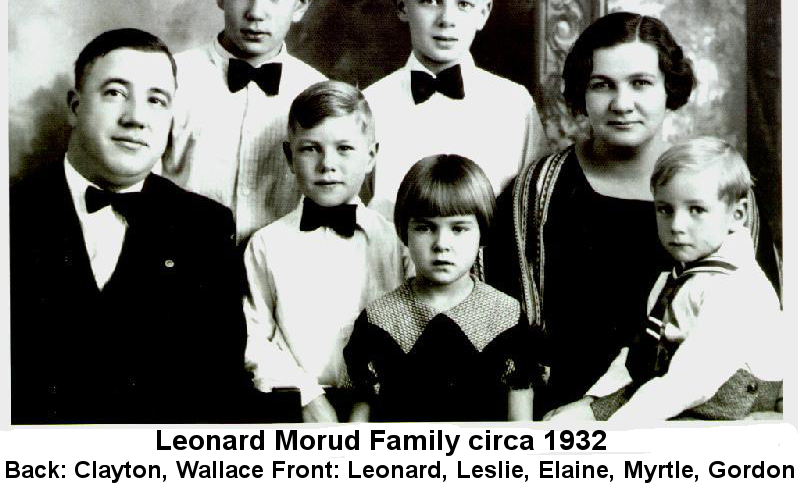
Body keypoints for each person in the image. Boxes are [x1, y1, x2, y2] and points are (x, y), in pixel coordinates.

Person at [10, 29, 271, 424]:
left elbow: (218, 394)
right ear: (74, 106)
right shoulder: (13, 213)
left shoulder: (204, 228)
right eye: (115, 93)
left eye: (156, 100)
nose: (135, 118)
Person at [484, 12, 697, 418]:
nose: (622, 104)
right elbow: (499, 329)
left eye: (641, 83)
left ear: (669, 88)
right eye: (603, 85)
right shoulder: (535, 193)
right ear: (582, 91)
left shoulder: (714, 190)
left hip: (683, 426)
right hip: (551, 426)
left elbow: (755, 330)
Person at [544, 137, 783, 421]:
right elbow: (640, 356)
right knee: (563, 421)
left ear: (737, 215)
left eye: (696, 210)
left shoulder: (735, 286)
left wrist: (613, 429)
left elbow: (692, 380)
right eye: (665, 209)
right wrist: (592, 402)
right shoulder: (674, 277)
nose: (677, 226)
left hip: (729, 395)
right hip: (678, 385)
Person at [244, 80, 407, 422]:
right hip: (293, 408)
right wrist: (307, 397)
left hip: (383, 408)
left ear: (371, 156)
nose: (327, 164)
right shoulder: (266, 245)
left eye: (344, 148)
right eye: (310, 149)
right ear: (289, 156)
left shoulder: (394, 241)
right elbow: (253, 336)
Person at [162, 0, 325, 244]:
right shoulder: (171, 80)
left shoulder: (317, 94)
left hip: (279, 276)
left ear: (302, 2)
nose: (256, 12)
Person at [363, 0, 547, 220]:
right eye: (430, 1)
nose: (447, 20)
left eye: (463, 4)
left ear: (483, 13)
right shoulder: (370, 104)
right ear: (402, 7)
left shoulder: (514, 104)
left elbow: (534, 209)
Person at [344, 155, 536, 422]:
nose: (441, 244)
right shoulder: (379, 319)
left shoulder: (506, 316)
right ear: (403, 232)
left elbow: (521, 422)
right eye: (425, 228)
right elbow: (360, 419)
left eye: (458, 229)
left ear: (483, 232)